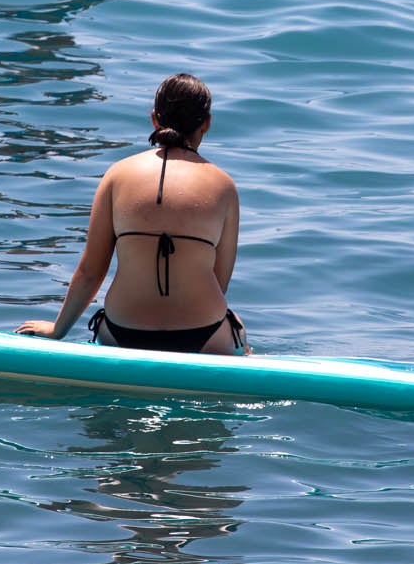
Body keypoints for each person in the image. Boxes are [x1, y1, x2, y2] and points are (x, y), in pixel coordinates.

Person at [17, 74, 247, 355]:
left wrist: (57, 330)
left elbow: (90, 271)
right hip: (204, 334)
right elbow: (219, 281)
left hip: (122, 333)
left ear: (154, 119)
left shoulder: (117, 175)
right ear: (207, 123)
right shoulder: (224, 186)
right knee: (237, 329)